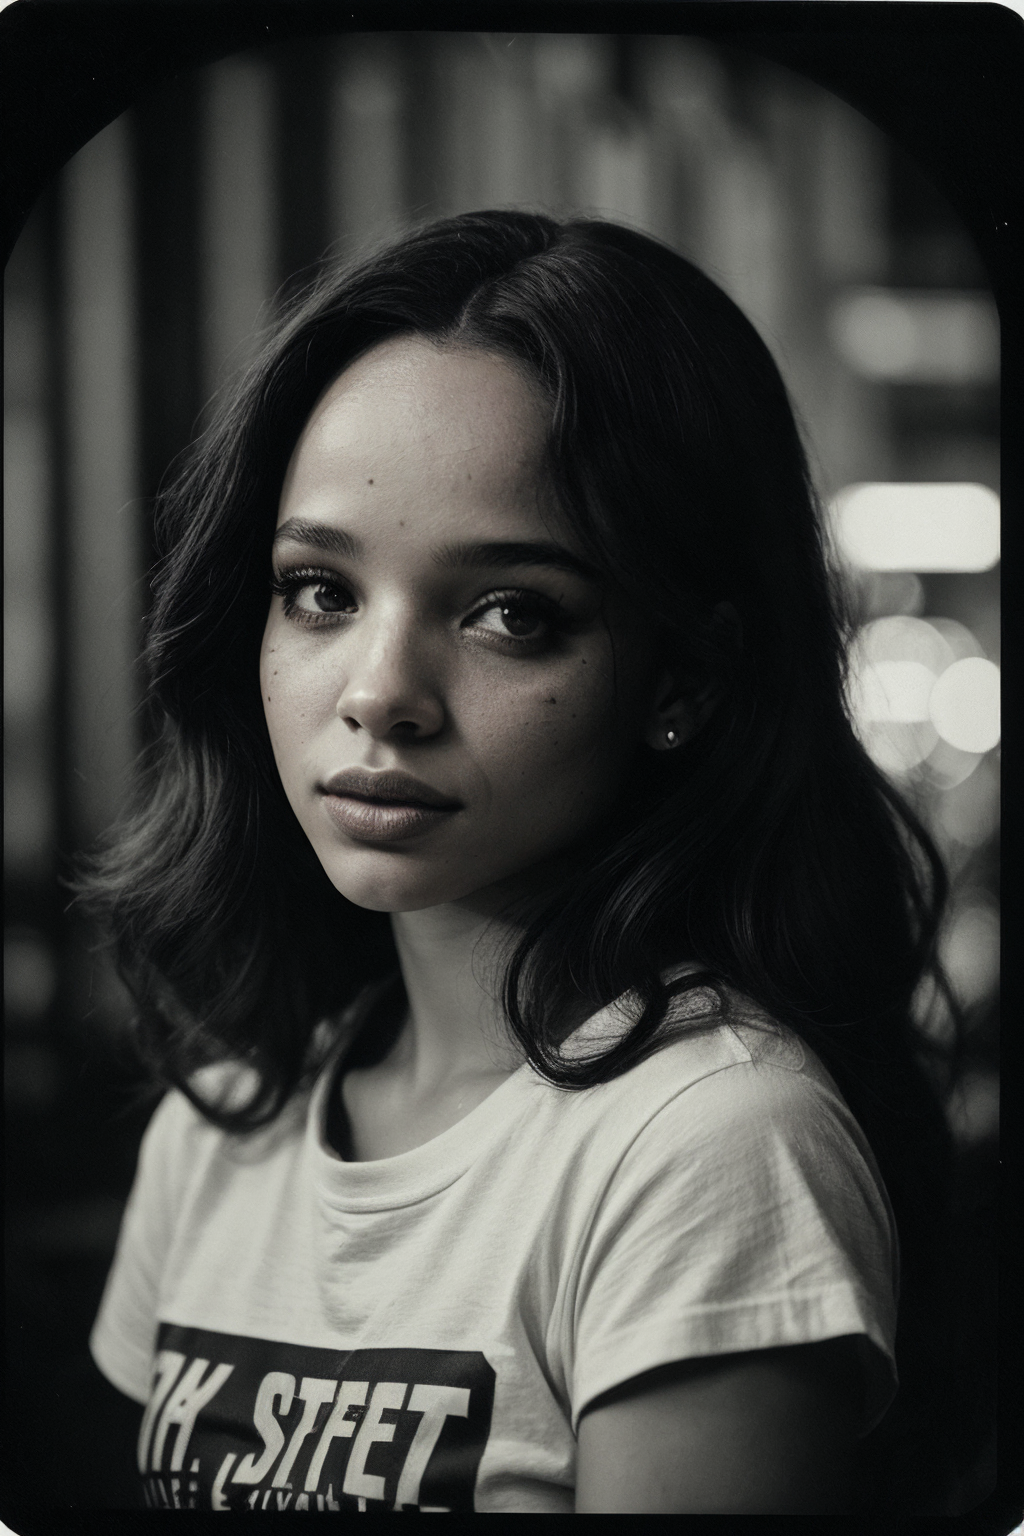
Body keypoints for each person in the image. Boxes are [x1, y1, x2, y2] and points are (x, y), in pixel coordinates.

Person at [81, 210, 957, 1514]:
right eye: (321, 589)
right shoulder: (221, 1127)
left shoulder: (707, 1146)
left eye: (510, 613)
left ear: (685, 677)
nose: (381, 695)